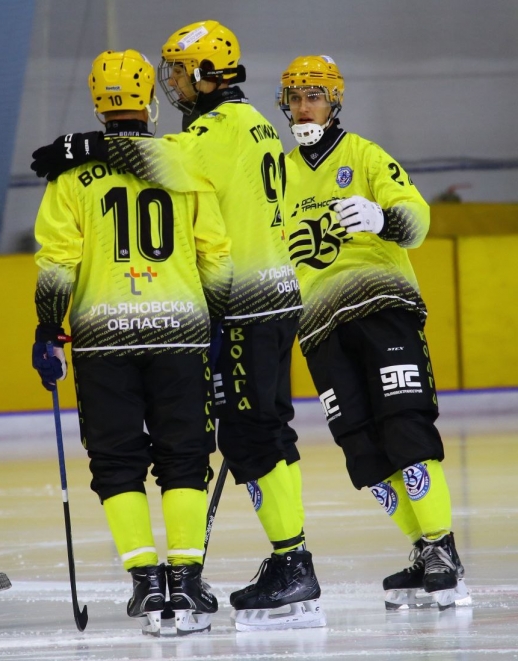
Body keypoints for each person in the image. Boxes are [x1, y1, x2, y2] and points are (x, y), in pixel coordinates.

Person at [31, 21, 325, 631]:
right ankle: (271, 561)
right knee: (241, 439)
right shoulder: (249, 123)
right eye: (163, 74)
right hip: (258, 300)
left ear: (207, 74)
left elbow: (157, 162)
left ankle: (287, 561)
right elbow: (195, 215)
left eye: (180, 72)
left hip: (239, 307)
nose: (173, 83)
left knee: (248, 439)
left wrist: (83, 148)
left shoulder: (208, 135)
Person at [31, 48, 233, 636]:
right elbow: (216, 255)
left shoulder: (71, 177)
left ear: (98, 104)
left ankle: (146, 582)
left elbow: (57, 264)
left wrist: (49, 330)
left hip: (102, 342)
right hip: (180, 334)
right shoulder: (182, 163)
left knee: (116, 462)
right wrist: (216, 323)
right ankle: (186, 581)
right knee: (184, 456)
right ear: (149, 100)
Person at [277, 54, 470, 609]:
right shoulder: (279, 175)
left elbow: (418, 218)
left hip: (382, 308)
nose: (304, 106)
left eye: (314, 95)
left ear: (334, 101)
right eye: (295, 97)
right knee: (361, 451)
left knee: (404, 427)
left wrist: (384, 218)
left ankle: (442, 546)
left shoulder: (363, 154)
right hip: (319, 328)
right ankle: (422, 548)